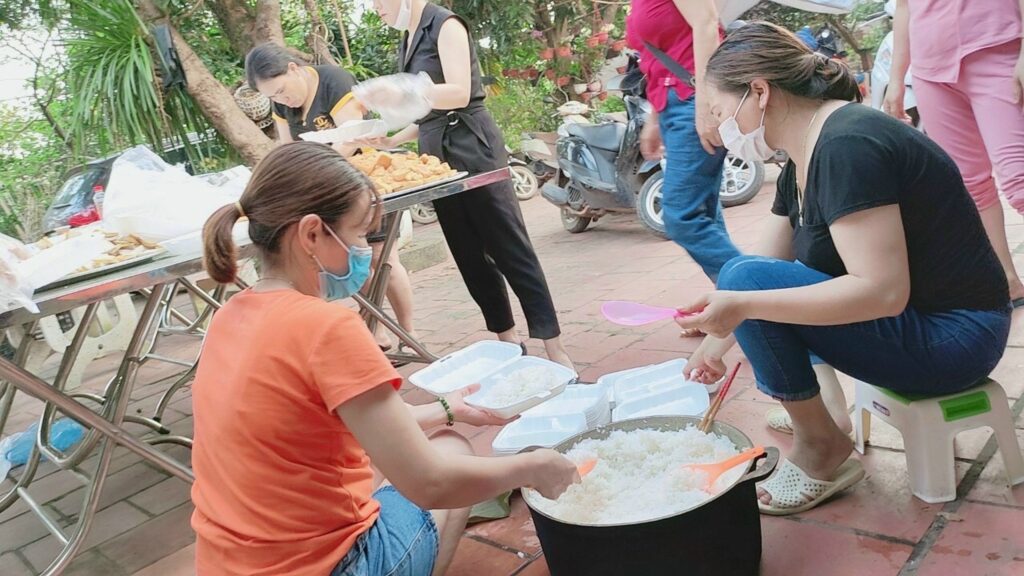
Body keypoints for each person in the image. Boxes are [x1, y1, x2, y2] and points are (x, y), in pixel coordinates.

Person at [191, 141, 578, 576]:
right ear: (312, 234)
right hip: (326, 567)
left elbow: (343, 422)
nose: (366, 253)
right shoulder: (325, 327)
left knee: (406, 448)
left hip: (228, 564)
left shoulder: (230, 315)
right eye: (359, 234)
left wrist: (448, 408)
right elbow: (431, 484)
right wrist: (533, 467)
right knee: (450, 450)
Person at [679, 22, 1011, 515]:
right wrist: (713, 344)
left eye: (719, 111)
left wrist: (740, 303)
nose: (720, 127)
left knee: (747, 285)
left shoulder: (847, 145)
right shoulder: (805, 154)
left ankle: (822, 446)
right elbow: (765, 264)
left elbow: (882, 293)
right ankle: (825, 414)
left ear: (759, 91)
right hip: (923, 325)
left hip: (956, 340)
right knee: (750, 279)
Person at [358, 0, 574, 369]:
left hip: (472, 146)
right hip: (436, 154)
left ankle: (555, 348)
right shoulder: (408, 36)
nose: (374, 8)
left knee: (509, 247)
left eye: (378, 0)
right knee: (468, 253)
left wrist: (403, 89)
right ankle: (508, 342)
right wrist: (393, 140)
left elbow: (458, 92)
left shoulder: (445, 24)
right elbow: (428, 114)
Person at [245, 43, 418, 353]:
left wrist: (313, 169)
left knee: (382, 258)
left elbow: (352, 138)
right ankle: (377, 330)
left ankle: (409, 334)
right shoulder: (282, 105)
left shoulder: (333, 81)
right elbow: (289, 149)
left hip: (364, 182)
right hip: (328, 192)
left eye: (281, 91)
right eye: (273, 97)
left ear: (294, 69)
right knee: (352, 261)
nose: (282, 100)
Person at [884, 0, 1024, 305]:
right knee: (970, 186)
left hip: (996, 48)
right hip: (930, 71)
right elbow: (905, 7)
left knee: (1019, 180)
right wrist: (896, 80)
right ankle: (1007, 280)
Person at [626, 0, 741, 286]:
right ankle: (737, 297)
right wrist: (655, 118)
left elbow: (706, 24)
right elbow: (656, 58)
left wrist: (706, 105)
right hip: (672, 105)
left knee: (681, 216)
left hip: (692, 99)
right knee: (704, 215)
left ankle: (762, 293)